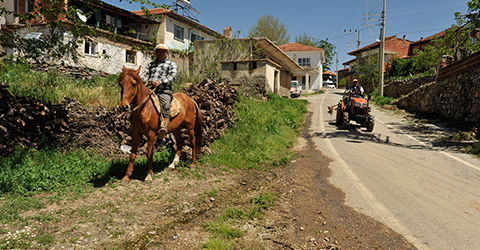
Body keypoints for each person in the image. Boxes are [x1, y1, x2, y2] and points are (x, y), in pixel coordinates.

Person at [140, 44, 178, 137]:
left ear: (166, 53)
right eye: (159, 51)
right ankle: (135, 125)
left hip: (164, 91)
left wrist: (161, 81)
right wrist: (139, 82)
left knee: (165, 104)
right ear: (156, 52)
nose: (161, 53)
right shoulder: (151, 64)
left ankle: (164, 126)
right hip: (151, 90)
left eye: (163, 51)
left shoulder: (171, 64)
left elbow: (172, 77)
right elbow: (145, 76)